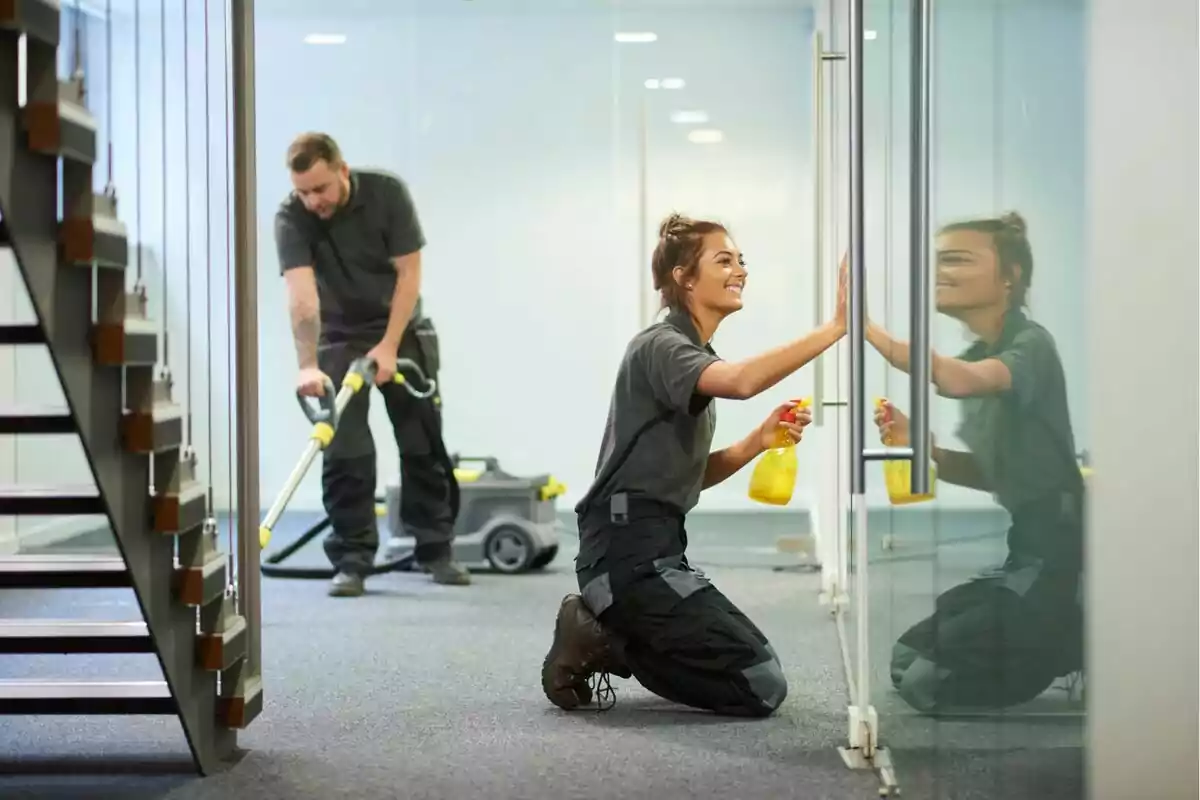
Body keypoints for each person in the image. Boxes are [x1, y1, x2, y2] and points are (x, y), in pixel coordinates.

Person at [540, 213, 847, 717]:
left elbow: (685, 475)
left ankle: (612, 631)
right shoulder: (661, 345)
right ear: (683, 276)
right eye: (723, 260)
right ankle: (601, 637)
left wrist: (756, 442)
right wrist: (835, 327)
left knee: (757, 667)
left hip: (657, 551)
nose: (740, 270)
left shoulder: (692, 351)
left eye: (741, 260)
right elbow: (743, 381)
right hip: (624, 561)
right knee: (760, 685)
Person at [867, 211, 1084, 714]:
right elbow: (999, 473)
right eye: (938, 260)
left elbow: (957, 379)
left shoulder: (1031, 346)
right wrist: (931, 452)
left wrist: (865, 330)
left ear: (1010, 275)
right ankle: (1063, 632)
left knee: (928, 684)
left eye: (958, 259)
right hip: (1023, 553)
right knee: (907, 660)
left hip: (1058, 558)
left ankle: (1072, 636)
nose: (940, 271)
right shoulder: (983, 349)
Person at [274, 132, 470, 597]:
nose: (312, 200)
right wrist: (307, 365)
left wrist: (388, 345)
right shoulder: (291, 216)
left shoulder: (386, 193)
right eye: (303, 191)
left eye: (320, 188)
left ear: (342, 170)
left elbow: (409, 274)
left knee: (422, 443)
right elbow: (302, 299)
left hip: (400, 327)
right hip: (338, 336)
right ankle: (353, 559)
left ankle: (435, 550)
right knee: (345, 452)